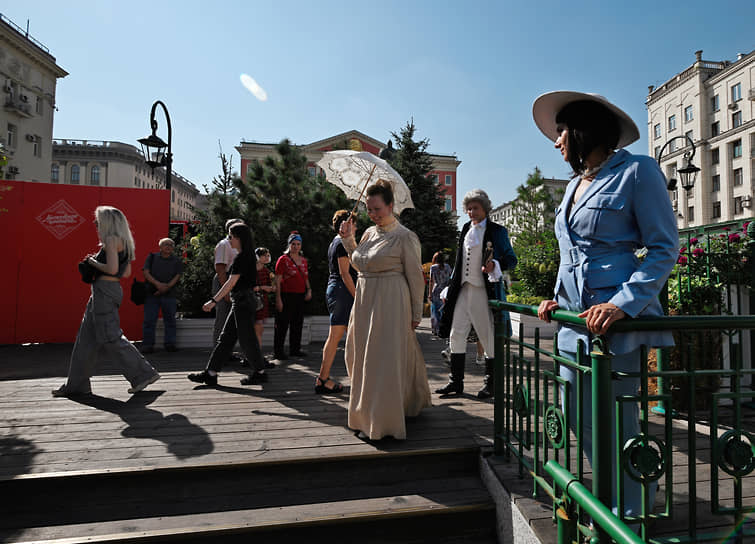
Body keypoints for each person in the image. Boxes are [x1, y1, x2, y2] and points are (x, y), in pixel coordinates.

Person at [532, 91, 678, 518]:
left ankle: (631, 515)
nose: (557, 142)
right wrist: (555, 299)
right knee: (578, 420)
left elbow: (663, 248)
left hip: (613, 328)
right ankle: (610, 503)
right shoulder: (575, 185)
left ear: (581, 131)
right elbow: (572, 253)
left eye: (561, 133)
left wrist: (621, 304)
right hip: (571, 326)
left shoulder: (637, 171)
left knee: (618, 424)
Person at [338, 179, 432, 440]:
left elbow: (416, 278)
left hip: (391, 302)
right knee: (359, 356)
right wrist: (348, 240)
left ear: (391, 205)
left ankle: (382, 422)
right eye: (369, 209)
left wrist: (416, 314)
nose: (373, 214)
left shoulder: (405, 237)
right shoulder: (368, 233)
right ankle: (365, 413)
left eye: (378, 209)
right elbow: (360, 265)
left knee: (381, 361)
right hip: (365, 301)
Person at [52, 206, 160, 397]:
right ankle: (76, 386)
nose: (95, 224)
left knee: (111, 336)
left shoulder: (111, 240)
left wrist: (92, 261)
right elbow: (124, 272)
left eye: (97, 221)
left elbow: (111, 269)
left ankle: (143, 374)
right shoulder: (125, 243)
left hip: (104, 291)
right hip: (107, 291)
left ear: (108, 222)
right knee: (85, 341)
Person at [437, 189, 517, 399]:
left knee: (486, 335)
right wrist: (450, 286)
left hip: (484, 290)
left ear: (485, 209)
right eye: (469, 208)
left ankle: (491, 383)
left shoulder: (497, 231)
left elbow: (512, 260)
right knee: (456, 334)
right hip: (463, 289)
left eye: (476, 208)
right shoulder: (465, 228)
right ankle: (455, 382)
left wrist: (495, 265)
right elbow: (459, 261)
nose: (472, 212)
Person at [188, 223, 267, 386]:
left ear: (239, 238)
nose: (229, 240)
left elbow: (231, 282)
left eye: (231, 236)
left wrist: (213, 301)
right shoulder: (248, 256)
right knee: (226, 338)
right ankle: (211, 373)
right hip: (242, 301)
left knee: (247, 339)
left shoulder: (242, 257)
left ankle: (260, 372)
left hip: (242, 302)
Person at [316, 210, 358, 394]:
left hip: (336, 291)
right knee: (336, 337)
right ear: (346, 225)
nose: (356, 227)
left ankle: (326, 378)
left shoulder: (335, 241)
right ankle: (322, 379)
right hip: (342, 292)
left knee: (353, 336)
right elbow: (344, 273)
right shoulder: (341, 243)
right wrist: (357, 296)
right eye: (354, 223)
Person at [273, 231, 312, 360]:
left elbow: (305, 277)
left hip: (300, 295)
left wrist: (309, 290)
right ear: (289, 245)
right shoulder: (283, 260)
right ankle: (278, 351)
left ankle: (295, 349)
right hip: (286, 295)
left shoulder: (304, 260)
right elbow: (277, 280)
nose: (296, 246)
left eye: (298, 244)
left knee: (297, 323)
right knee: (282, 324)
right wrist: (278, 298)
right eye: (293, 244)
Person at [141, 237, 182, 353]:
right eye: (166, 244)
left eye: (171, 245)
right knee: (149, 320)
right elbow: (146, 272)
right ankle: (148, 345)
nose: (168, 247)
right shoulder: (152, 257)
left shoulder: (176, 260)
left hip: (170, 295)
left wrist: (166, 287)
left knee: (170, 320)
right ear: (160, 247)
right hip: (152, 294)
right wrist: (158, 285)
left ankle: (170, 344)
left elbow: (177, 276)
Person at [212, 218, 242, 347]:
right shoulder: (224, 244)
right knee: (223, 319)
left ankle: (227, 352)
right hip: (224, 281)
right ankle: (218, 353)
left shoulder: (239, 245)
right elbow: (220, 268)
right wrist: (225, 292)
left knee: (233, 321)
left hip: (236, 282)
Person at [253, 247, 275, 351]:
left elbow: (273, 287)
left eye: (268, 255)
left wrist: (266, 288)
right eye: (265, 255)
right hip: (251, 302)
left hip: (261, 303)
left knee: (259, 329)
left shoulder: (267, 271)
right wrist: (262, 288)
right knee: (255, 329)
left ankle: (257, 352)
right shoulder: (250, 271)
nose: (267, 257)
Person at [427, 251, 451, 336]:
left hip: (436, 291)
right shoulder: (447, 267)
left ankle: (436, 330)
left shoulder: (433, 267)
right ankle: (444, 329)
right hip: (445, 291)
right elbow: (450, 278)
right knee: (443, 311)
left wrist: (429, 294)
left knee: (435, 312)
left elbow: (431, 281)